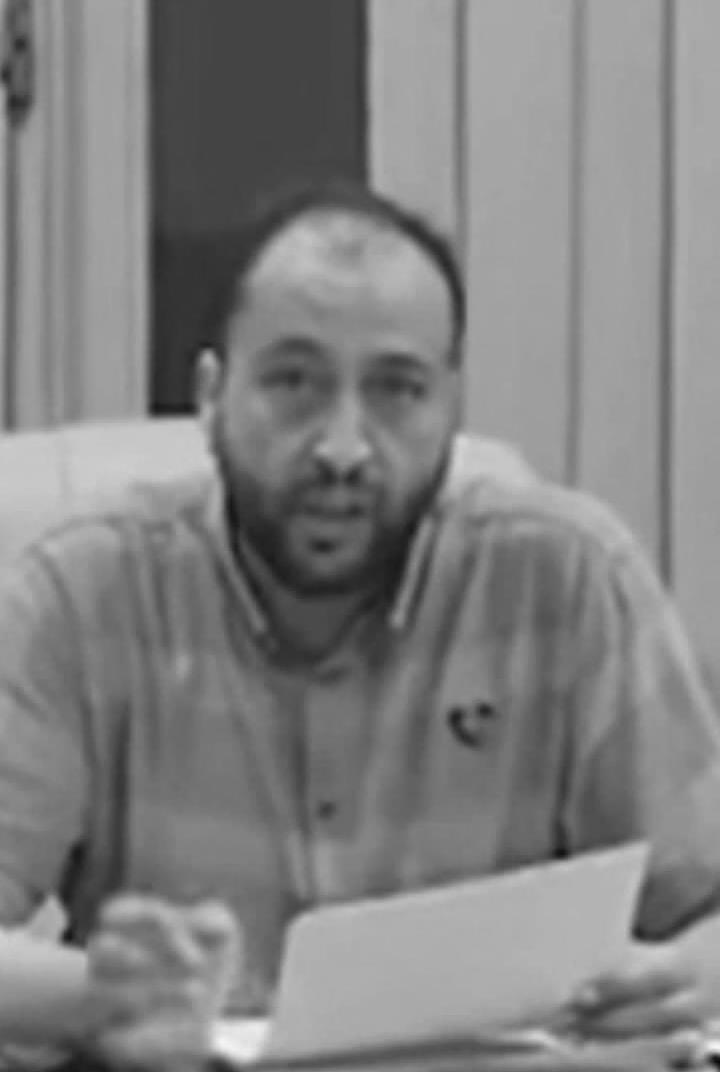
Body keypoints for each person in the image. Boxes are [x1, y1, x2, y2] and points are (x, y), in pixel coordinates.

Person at [1, 178, 720, 1071]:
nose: (343, 448)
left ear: (451, 409)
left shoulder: (571, 580)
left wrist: (691, 974)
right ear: (210, 396)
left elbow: (709, 909)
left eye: (397, 391)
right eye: (293, 383)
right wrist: (105, 998)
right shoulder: (82, 590)